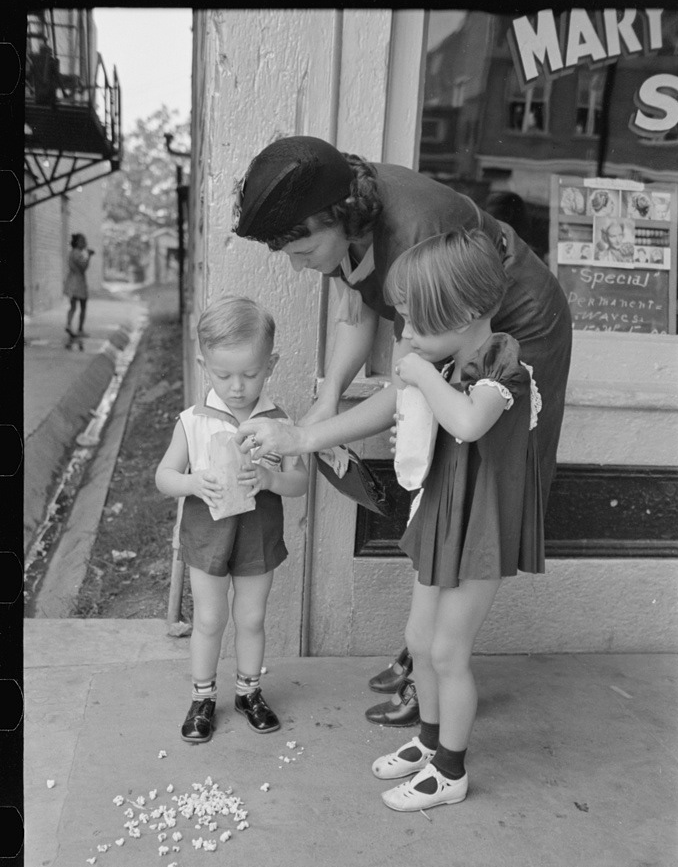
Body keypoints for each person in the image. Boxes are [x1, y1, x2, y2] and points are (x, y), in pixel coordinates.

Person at [230, 135, 571, 727]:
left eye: (299, 245)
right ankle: (423, 647)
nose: (294, 262)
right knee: (444, 483)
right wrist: (327, 399)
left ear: (336, 216)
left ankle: (436, 659)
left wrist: (306, 438)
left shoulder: (419, 232)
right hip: (452, 343)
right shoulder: (345, 211)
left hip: (521, 328)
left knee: (480, 488)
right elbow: (358, 309)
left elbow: (411, 381)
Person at [371, 228, 543, 810]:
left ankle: (451, 770)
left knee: (449, 652)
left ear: (468, 311)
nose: (408, 336)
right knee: (420, 640)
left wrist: (419, 377)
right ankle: (427, 742)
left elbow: (470, 424)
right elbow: (445, 432)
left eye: (417, 322)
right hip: (444, 518)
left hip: (481, 532)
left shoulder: (506, 365)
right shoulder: (446, 367)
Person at [155, 296, 308, 743]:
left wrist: (270, 477)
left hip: (257, 536)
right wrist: (193, 483)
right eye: (223, 375)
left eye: (251, 373)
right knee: (208, 618)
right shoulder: (193, 421)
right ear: (205, 365)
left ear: (271, 363)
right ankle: (202, 697)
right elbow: (164, 476)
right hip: (206, 537)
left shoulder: (278, 424)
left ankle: (249, 691)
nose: (238, 387)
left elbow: (299, 483)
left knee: (252, 617)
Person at [63, 233, 94, 349]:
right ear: (77, 242)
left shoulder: (73, 252)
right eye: (82, 241)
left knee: (72, 306)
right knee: (82, 306)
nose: (84, 243)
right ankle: (80, 328)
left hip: (71, 281)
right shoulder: (78, 253)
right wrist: (89, 256)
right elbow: (83, 267)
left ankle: (69, 324)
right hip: (78, 282)